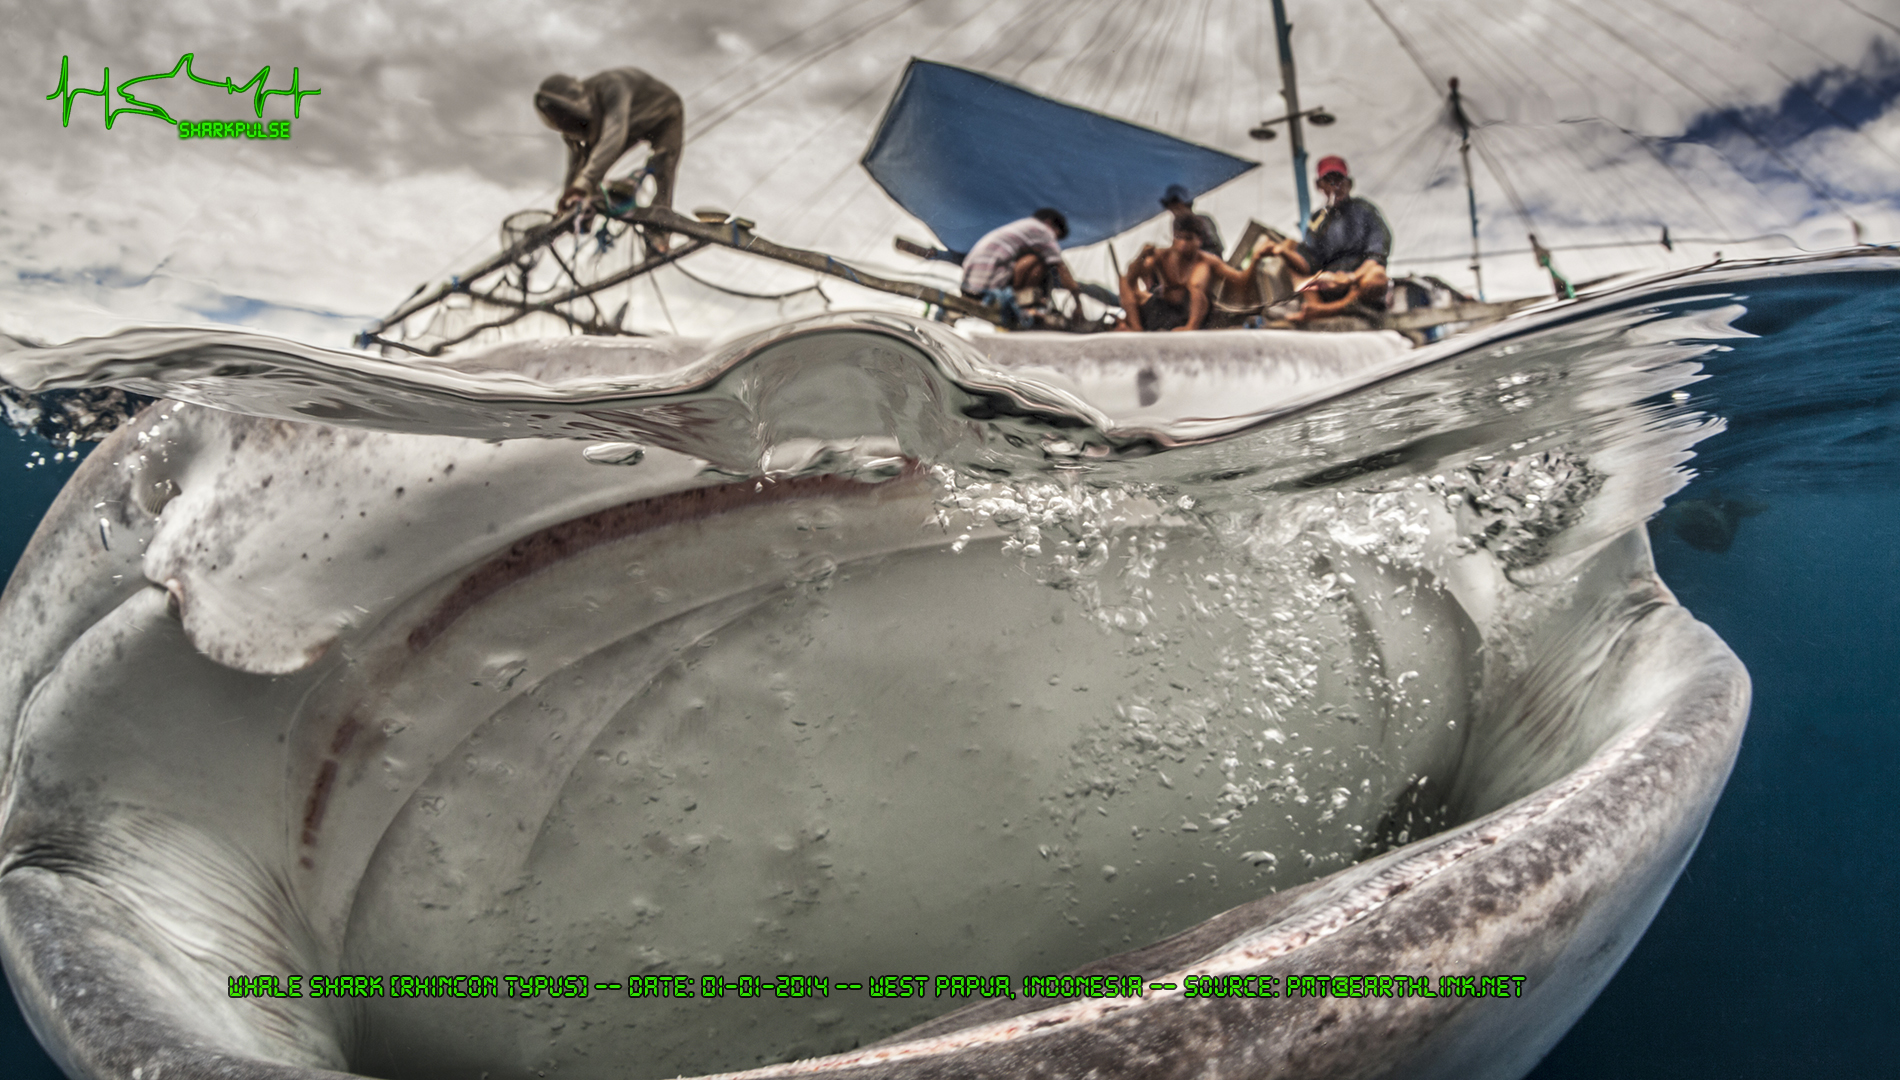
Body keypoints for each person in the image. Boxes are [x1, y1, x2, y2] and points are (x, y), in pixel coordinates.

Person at [535, 68, 684, 249]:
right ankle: (587, 213)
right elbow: (576, 167)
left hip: (664, 113)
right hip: (631, 123)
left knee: (663, 169)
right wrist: (568, 202)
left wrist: (584, 183)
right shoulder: (571, 132)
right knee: (588, 176)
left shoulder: (612, 86)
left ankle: (659, 236)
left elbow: (614, 135)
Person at [1261, 156, 1392, 322]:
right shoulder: (1318, 219)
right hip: (1329, 284)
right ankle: (1316, 308)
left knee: (1377, 276)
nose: (1335, 186)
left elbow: (1377, 255)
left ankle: (1327, 310)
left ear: (1349, 183)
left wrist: (1350, 278)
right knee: (1295, 271)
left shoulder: (1365, 209)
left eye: (1340, 180)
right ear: (1319, 186)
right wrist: (1283, 252)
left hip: (1358, 281)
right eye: (1328, 181)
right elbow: (1308, 261)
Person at [1116, 216, 1247, 332]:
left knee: (1197, 282)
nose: (1183, 243)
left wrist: (1255, 261)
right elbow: (1131, 278)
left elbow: (1239, 279)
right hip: (1163, 309)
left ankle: (1191, 326)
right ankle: (1136, 328)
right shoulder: (1162, 255)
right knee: (1123, 280)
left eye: (1188, 239)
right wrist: (1141, 256)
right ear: (1173, 238)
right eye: (1179, 237)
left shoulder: (1206, 261)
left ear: (1198, 241)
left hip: (1188, 312)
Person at [960, 208, 1082, 304]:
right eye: (1056, 236)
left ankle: (1020, 299)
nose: (1054, 240)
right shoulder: (1043, 230)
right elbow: (1060, 266)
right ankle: (1022, 303)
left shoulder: (1024, 226)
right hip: (987, 285)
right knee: (1038, 261)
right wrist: (1078, 302)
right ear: (1049, 223)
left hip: (969, 283)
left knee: (1035, 256)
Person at [1160, 183, 1224, 258]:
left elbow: (1216, 248)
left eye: (1176, 207)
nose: (1174, 212)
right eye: (1171, 208)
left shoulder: (1203, 220)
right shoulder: (1176, 224)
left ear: (1185, 204)